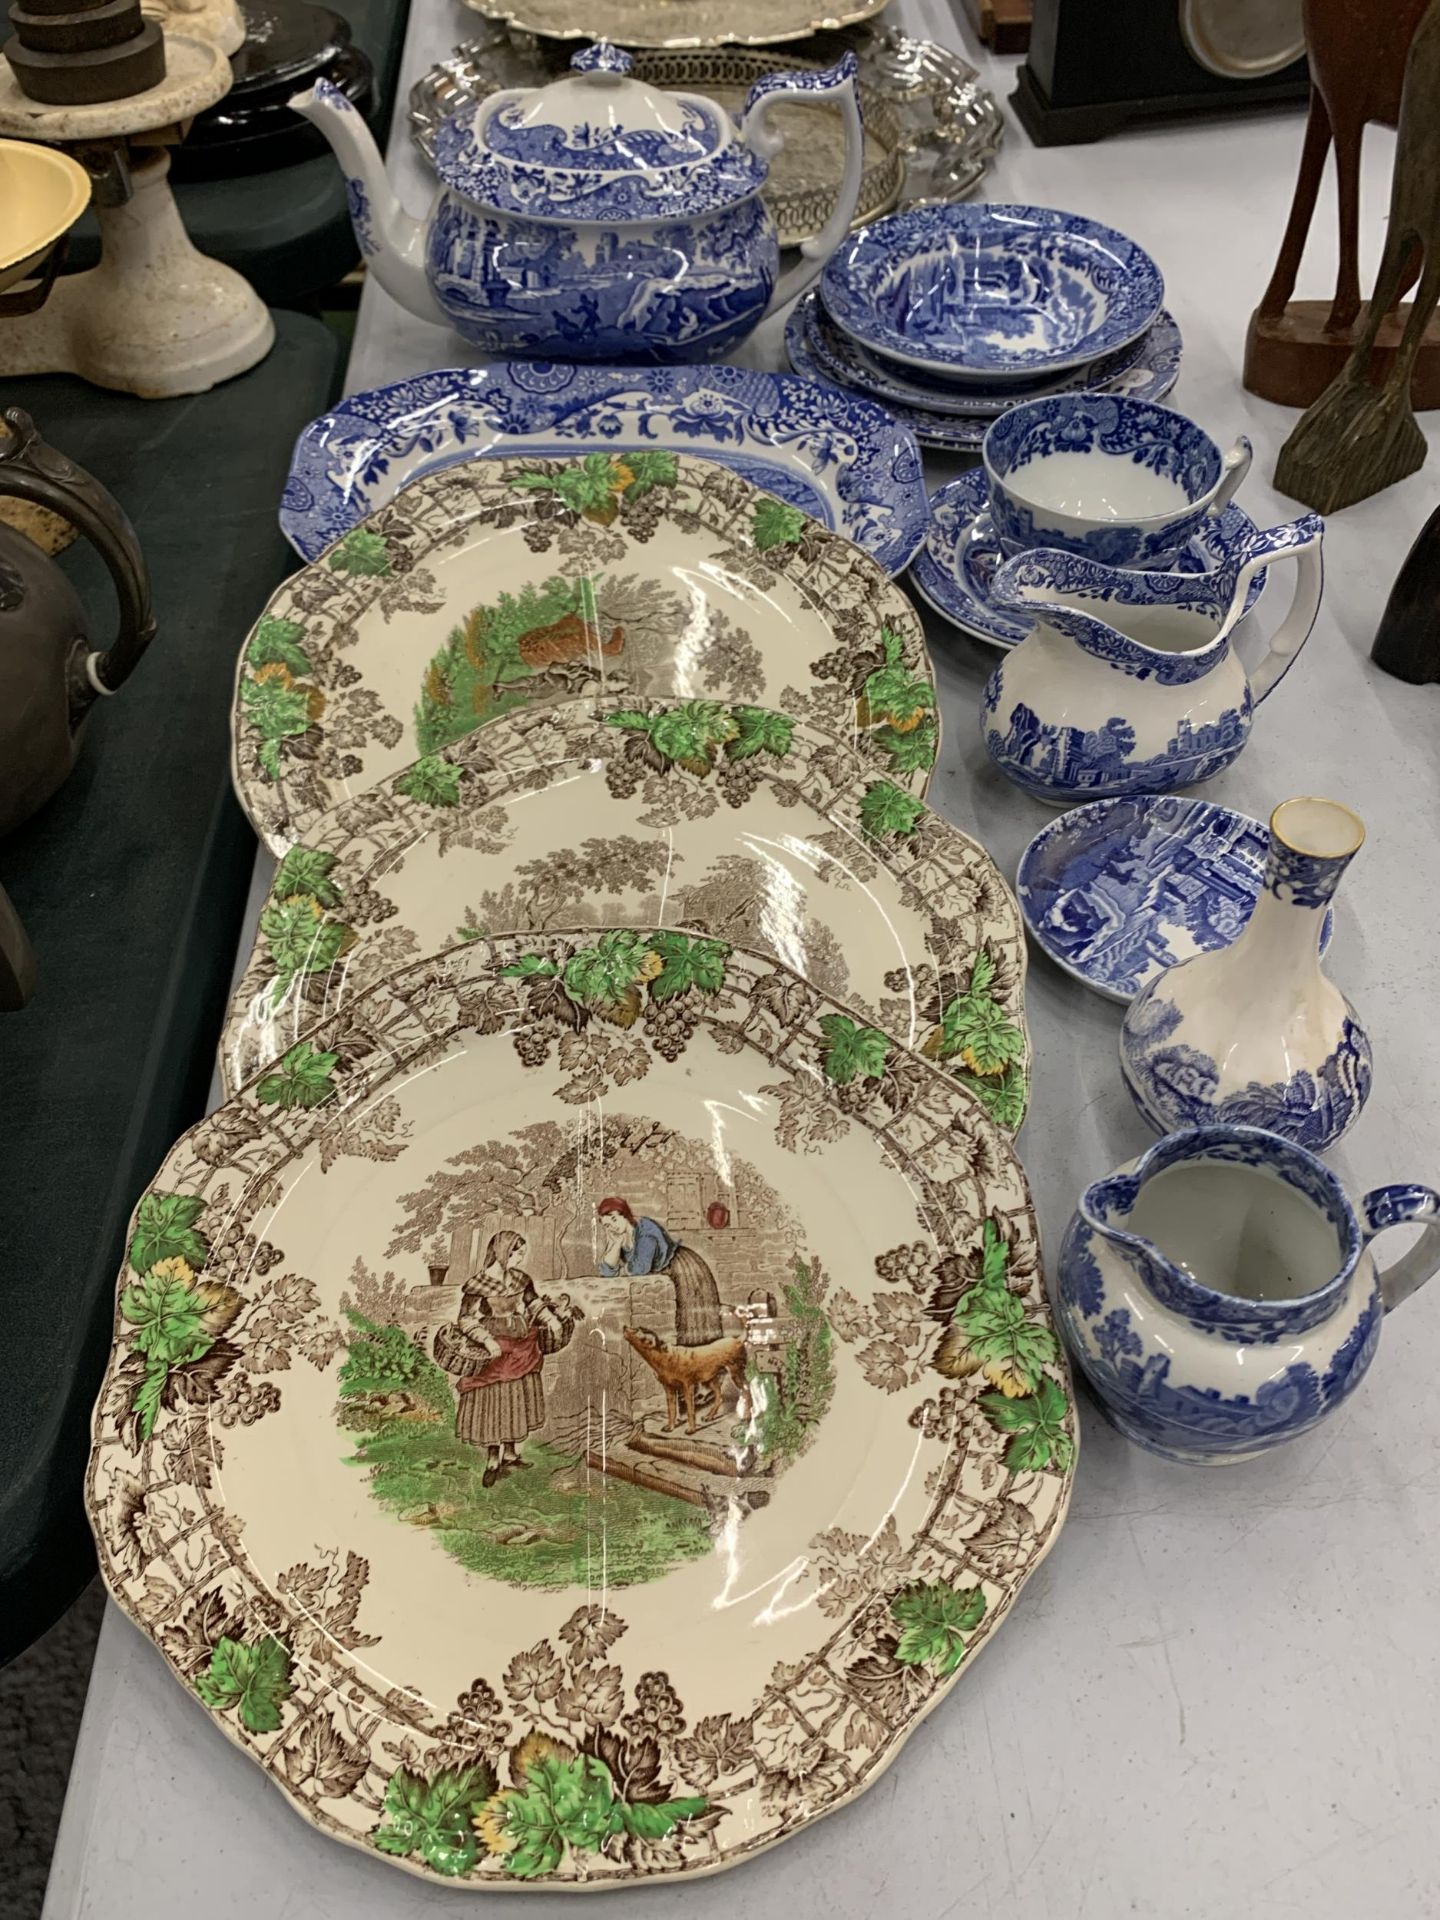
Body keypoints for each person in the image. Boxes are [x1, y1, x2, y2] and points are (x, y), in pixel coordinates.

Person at [433, 1230, 574, 1488]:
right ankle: (492, 1459)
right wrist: (486, 1340)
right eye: (516, 1253)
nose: (520, 1258)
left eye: (522, 1253)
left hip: (522, 1346)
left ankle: (510, 1453)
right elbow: (465, 1318)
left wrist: (551, 1320)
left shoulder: (521, 1279)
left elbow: (533, 1305)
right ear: (502, 1252)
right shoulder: (479, 1284)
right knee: (494, 1400)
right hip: (495, 1348)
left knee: (515, 1398)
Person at [595, 1197, 723, 1347]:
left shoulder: (645, 1230)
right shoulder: (619, 1235)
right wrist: (615, 1245)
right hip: (665, 1271)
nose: (612, 1227)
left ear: (624, 1214)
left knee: (693, 1315)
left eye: (614, 1220)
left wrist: (622, 1268)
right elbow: (607, 1272)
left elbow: (640, 1268)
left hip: (682, 1268)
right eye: (607, 1225)